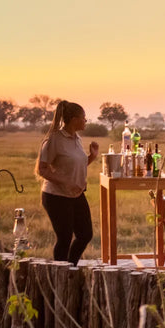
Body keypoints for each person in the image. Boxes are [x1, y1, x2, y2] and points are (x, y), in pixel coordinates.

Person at [35, 100, 99, 265]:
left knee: (85, 234)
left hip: (76, 194)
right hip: (56, 196)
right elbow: (41, 169)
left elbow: (74, 166)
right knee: (64, 238)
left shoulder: (76, 138)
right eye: (84, 117)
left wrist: (92, 156)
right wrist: (66, 183)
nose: (86, 120)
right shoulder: (54, 139)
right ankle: (61, 274)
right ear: (74, 119)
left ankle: (70, 268)